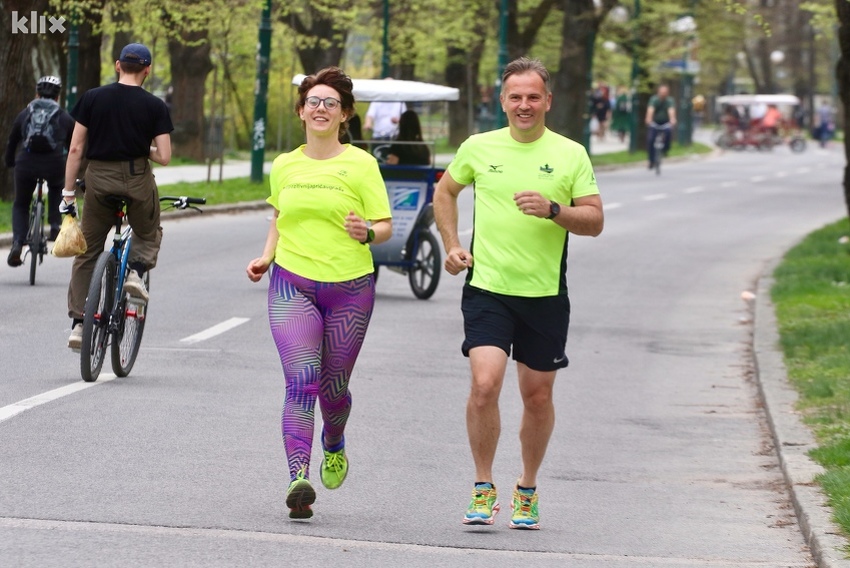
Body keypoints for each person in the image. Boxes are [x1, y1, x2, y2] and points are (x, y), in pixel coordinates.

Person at [433, 57, 604, 530]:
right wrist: (452, 245)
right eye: (515, 97)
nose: (524, 105)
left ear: (547, 101)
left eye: (533, 97)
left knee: (538, 398)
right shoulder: (478, 147)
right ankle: (483, 486)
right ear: (502, 101)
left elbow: (595, 221)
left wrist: (554, 209)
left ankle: (526, 487)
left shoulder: (571, 154)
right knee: (485, 385)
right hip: (487, 288)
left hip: (545, 295)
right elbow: (444, 193)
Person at [245, 67, 392, 520]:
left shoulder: (362, 164)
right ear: (301, 111)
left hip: (350, 288)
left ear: (344, 114)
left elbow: (385, 227)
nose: (321, 108)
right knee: (301, 381)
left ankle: (334, 440)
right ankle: (298, 480)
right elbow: (278, 218)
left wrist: (366, 231)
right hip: (293, 283)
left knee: (333, 387)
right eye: (314, 102)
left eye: (331, 103)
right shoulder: (286, 164)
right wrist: (266, 257)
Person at [62, 43, 173, 349]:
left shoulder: (92, 98)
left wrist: (68, 193)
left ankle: (80, 324)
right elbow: (164, 156)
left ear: (117, 65)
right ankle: (135, 274)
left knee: (88, 250)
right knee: (149, 230)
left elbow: (75, 149)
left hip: (98, 179)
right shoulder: (155, 106)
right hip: (136, 177)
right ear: (147, 70)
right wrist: (140, 148)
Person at [4, 76, 75, 267]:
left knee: (21, 203)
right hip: (54, 164)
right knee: (56, 187)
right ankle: (54, 226)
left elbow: (12, 141)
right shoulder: (64, 116)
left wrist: (10, 161)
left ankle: (18, 242)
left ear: (37, 93)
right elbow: (72, 147)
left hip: (26, 163)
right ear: (58, 96)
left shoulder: (25, 113)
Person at [645, 84, 676, 169]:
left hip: (665, 122)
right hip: (655, 122)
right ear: (658, 92)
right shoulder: (654, 99)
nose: (663, 94)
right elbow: (651, 110)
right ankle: (651, 160)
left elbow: (671, 111)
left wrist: (672, 119)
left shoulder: (669, 101)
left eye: (665, 92)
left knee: (668, 132)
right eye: (662, 92)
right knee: (651, 140)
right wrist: (648, 119)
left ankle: (665, 150)